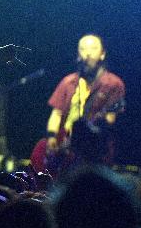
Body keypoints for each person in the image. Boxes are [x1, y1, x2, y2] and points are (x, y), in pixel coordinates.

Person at [39, 35, 125, 168]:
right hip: (66, 149)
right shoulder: (68, 82)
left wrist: (88, 128)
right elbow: (56, 114)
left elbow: (110, 118)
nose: (88, 53)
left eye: (93, 48)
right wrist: (52, 137)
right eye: (83, 49)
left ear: (102, 54)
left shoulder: (114, 84)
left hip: (97, 151)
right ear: (78, 54)